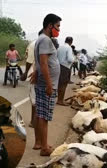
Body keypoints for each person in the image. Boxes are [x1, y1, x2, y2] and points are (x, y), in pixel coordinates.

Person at [31, 13, 62, 156]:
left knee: (41, 114)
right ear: (50, 25)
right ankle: (44, 147)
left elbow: (40, 62)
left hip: (44, 83)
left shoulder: (42, 39)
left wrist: (36, 73)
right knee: (44, 116)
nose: (58, 29)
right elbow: (43, 63)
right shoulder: (45, 40)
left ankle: (42, 143)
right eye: (57, 26)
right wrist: (49, 85)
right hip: (47, 86)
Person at [56, 36, 74, 106]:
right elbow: (70, 59)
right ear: (71, 42)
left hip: (58, 66)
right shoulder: (69, 48)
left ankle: (60, 99)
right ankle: (60, 100)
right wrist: (74, 60)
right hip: (65, 67)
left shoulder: (60, 47)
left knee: (60, 84)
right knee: (63, 84)